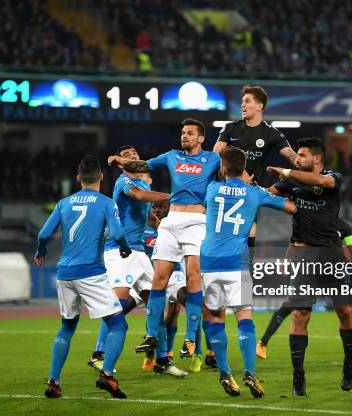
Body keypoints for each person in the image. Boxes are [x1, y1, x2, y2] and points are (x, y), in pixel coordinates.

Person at [108, 118, 221, 359]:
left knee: (192, 277)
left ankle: (190, 337)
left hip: (197, 221)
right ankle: (151, 335)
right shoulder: (172, 156)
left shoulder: (212, 159)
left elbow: (233, 171)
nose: (185, 136)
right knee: (159, 278)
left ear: (201, 138)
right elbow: (142, 165)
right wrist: (121, 161)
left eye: (190, 133)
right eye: (182, 132)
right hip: (171, 222)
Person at [201, 146, 296, 397]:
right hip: (236, 263)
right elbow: (289, 207)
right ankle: (250, 374)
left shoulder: (211, 189)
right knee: (244, 319)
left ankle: (224, 372)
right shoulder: (254, 193)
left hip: (209, 261)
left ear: (223, 168)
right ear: (245, 169)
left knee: (215, 319)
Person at [266, 137, 352, 396]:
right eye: (297, 155)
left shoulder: (332, 177)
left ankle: (349, 364)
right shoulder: (291, 182)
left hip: (331, 254)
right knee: (299, 315)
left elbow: (321, 182)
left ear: (316, 159)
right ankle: (298, 376)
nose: (297, 159)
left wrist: (284, 169)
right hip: (303, 255)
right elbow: (267, 194)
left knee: (345, 312)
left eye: (302, 155)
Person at [34, 155, 132, 399]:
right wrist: (125, 247)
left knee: (67, 327)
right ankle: (107, 375)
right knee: (118, 324)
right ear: (101, 176)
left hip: (65, 273)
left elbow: (44, 234)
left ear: (78, 178)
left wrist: (41, 251)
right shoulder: (107, 203)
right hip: (91, 272)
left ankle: (54, 381)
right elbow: (118, 233)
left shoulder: (64, 203)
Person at [87, 145, 186, 376]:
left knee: (156, 303)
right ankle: (98, 355)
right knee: (117, 306)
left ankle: (162, 361)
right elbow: (140, 197)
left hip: (139, 253)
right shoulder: (124, 183)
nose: (133, 156)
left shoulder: (142, 183)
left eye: (134, 154)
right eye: (127, 155)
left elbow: (149, 217)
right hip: (120, 251)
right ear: (122, 163)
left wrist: (163, 226)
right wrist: (173, 196)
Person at [255, 219, 352, 359]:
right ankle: (263, 343)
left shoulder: (343, 227)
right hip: (311, 272)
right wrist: (287, 263)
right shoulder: (314, 224)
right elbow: (294, 243)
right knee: (290, 306)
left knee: (349, 306)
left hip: (332, 273)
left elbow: (350, 247)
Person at [213, 85, 299, 254]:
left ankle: (246, 275)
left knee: (248, 238)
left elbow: (290, 154)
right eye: (242, 102)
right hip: (224, 189)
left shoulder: (271, 133)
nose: (242, 105)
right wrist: (240, 174)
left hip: (250, 192)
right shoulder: (230, 128)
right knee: (220, 237)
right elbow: (215, 155)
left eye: (247, 101)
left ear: (260, 106)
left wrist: (301, 160)